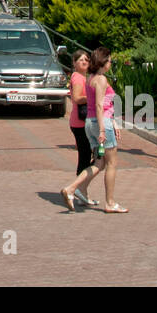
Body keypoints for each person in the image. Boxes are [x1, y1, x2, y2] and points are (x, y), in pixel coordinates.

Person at [68, 47, 127, 213]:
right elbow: (100, 105)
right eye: (109, 60)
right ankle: (110, 203)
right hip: (101, 124)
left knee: (99, 162)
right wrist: (103, 129)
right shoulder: (100, 79)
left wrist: (112, 123)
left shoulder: (90, 78)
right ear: (103, 62)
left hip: (90, 123)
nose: (110, 63)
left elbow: (102, 106)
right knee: (112, 163)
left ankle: (73, 188)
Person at [60, 49, 98, 209]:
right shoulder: (77, 77)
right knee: (90, 157)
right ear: (74, 63)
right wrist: (95, 96)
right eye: (81, 60)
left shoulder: (83, 77)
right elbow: (75, 98)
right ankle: (76, 189)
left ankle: (82, 192)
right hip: (80, 122)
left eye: (87, 60)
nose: (85, 62)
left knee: (87, 156)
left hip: (81, 122)